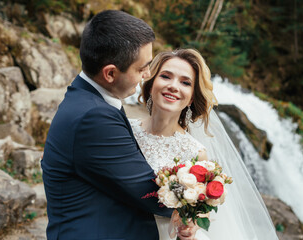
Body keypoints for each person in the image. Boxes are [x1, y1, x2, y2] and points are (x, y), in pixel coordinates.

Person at [41, 10, 195, 240]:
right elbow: (148, 193)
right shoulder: (93, 117)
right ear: (110, 73)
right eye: (142, 68)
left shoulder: (93, 98)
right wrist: (197, 193)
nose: (148, 74)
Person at [130, 48, 279, 239]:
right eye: (166, 77)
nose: (174, 86)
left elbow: (201, 207)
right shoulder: (125, 129)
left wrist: (190, 227)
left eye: (185, 82)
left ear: (192, 97)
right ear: (151, 84)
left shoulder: (194, 152)